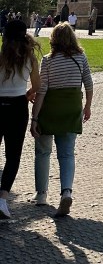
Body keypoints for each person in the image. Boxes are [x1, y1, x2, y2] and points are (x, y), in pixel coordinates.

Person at [29, 22, 93, 218]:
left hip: (51, 109)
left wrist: (34, 118)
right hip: (71, 108)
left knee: (43, 152)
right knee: (66, 154)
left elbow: (42, 90)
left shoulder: (48, 60)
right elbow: (88, 83)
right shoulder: (81, 57)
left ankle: (41, 194)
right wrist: (87, 106)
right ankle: (66, 192)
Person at [0, 19, 41, 219]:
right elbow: (37, 85)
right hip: (17, 105)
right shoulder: (30, 59)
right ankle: (3, 198)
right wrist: (27, 94)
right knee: (13, 155)